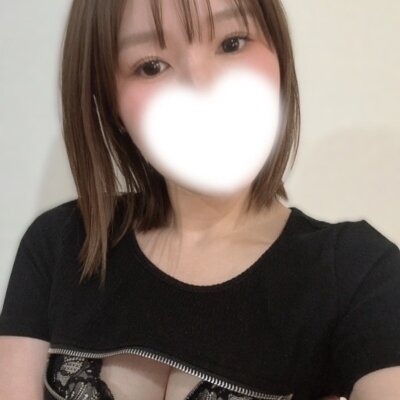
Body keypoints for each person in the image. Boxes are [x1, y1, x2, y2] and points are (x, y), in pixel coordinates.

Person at [1, 0, 399, 399]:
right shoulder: (60, 244)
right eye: (151, 66)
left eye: (232, 43)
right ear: (111, 103)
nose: (203, 87)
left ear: (279, 52)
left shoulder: (359, 274)